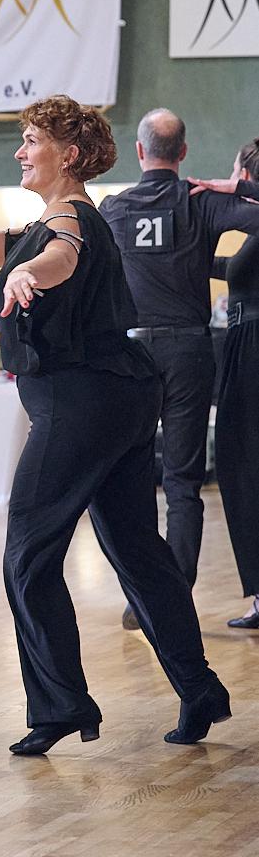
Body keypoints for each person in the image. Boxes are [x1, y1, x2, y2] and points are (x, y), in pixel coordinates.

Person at [0, 94, 230, 754]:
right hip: (117, 398)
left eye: (30, 139)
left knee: (27, 555)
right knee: (138, 554)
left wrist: (28, 272)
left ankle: (60, 705)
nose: (19, 150)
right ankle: (198, 687)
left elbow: (58, 257)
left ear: (71, 155)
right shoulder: (54, 219)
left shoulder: (67, 220)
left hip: (78, 406)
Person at [99, 109, 259, 628]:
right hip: (191, 353)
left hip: (133, 356)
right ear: (184, 152)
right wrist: (234, 189)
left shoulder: (115, 208)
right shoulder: (202, 202)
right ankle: (173, 595)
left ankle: (141, 594)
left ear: (140, 152)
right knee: (183, 483)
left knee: (132, 480)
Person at [189, 139, 259, 628]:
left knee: (243, 466)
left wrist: (236, 187)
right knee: (242, 468)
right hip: (243, 344)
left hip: (253, 348)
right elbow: (232, 271)